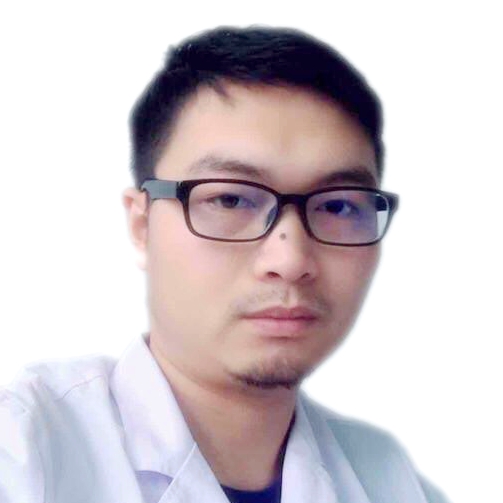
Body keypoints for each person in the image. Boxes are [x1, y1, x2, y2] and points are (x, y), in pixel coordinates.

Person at [0, 26, 450, 503]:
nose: (290, 260)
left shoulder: (388, 479)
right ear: (142, 225)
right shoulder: (25, 451)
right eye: (231, 199)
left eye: (338, 206)